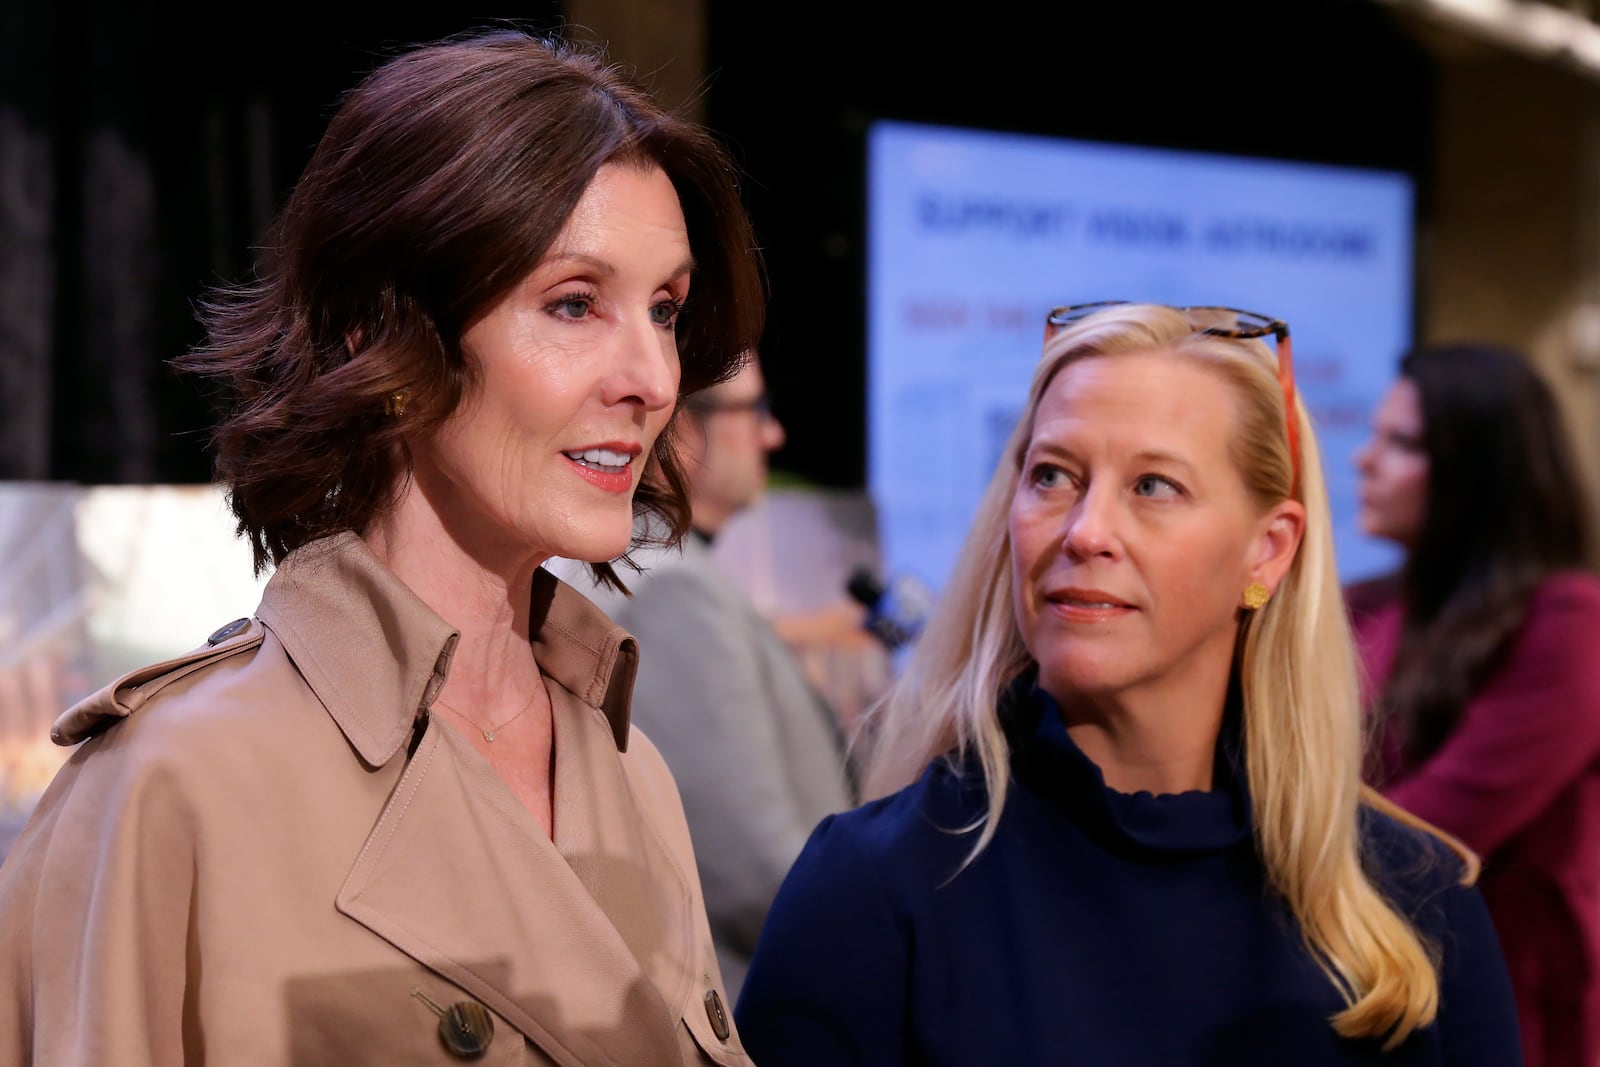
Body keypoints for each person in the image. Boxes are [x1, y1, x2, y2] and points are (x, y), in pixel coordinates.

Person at [0, 28, 766, 1066]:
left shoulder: (634, 776)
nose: (653, 377)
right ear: (383, 334)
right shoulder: (172, 787)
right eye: (574, 302)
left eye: (665, 309)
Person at [734, 302, 1522, 1065]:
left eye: (1153, 486)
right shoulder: (870, 887)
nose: (1086, 530)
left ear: (1268, 551)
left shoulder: (1420, 906)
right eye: (1053, 476)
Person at [553, 354, 857, 1000]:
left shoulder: (651, 569)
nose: (772, 435)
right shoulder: (673, 588)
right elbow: (750, 868)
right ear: (682, 428)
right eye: (756, 411)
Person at [1348, 341, 1600, 1067]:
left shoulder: (1565, 619)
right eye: (1374, 435)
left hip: (1503, 987)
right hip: (1371, 967)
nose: (1365, 460)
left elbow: (1443, 823)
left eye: (1402, 443)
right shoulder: (1360, 605)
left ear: (1476, 473)